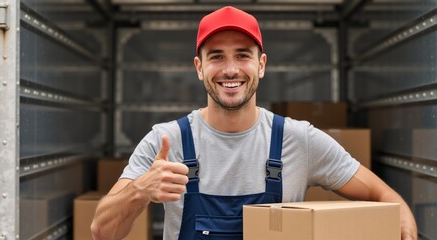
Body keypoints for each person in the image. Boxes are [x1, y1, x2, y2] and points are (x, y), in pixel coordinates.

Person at [91, 6, 417, 240]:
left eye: (243, 55)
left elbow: (384, 196)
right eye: (216, 56)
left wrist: (405, 225)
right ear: (199, 67)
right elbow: (102, 231)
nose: (230, 69)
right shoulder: (166, 141)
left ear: (261, 65)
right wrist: (140, 191)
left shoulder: (298, 139)